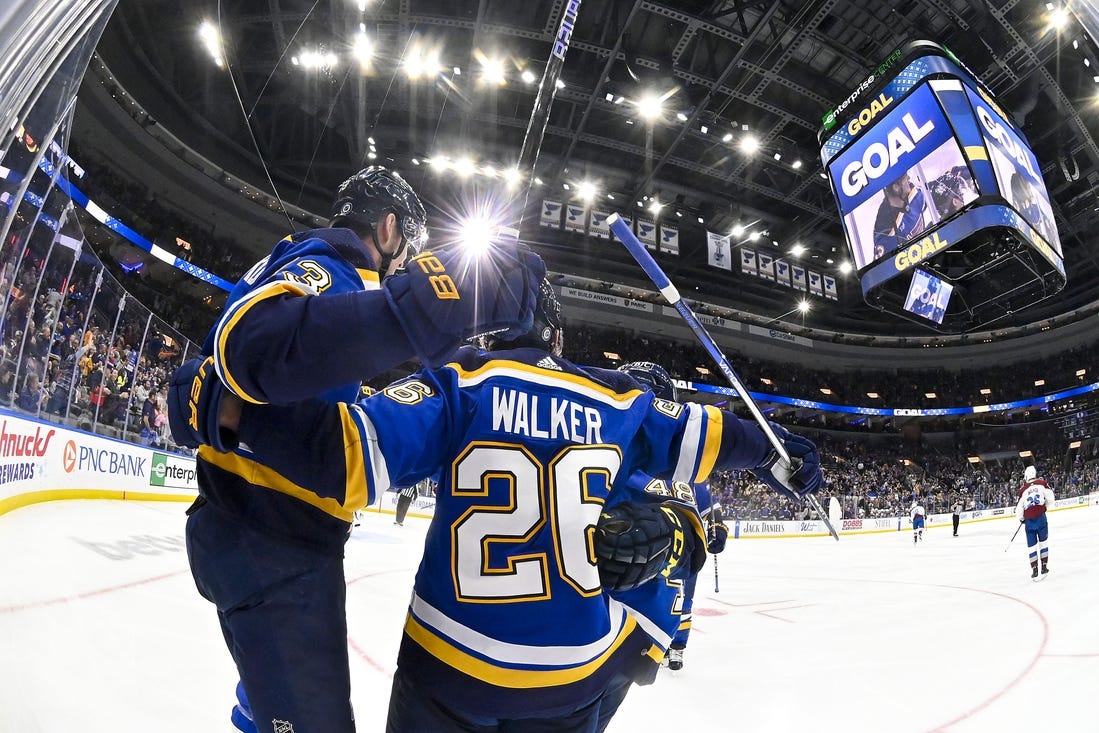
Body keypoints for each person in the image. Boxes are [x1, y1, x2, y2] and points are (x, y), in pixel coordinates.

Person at [177, 280, 823, 731]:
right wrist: (773, 453)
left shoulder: (457, 379)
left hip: (448, 670)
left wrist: (230, 413)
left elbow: (343, 459)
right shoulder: (620, 401)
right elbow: (710, 434)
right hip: (568, 680)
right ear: (557, 333)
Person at [166, 166, 545, 733]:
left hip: (256, 535)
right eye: (407, 246)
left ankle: (261, 702)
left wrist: (216, 405)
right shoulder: (332, 267)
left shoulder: (304, 268)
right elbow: (253, 350)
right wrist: (420, 307)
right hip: (272, 544)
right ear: (389, 228)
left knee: (271, 696)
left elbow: (206, 386)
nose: (404, 259)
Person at [615, 361, 728, 674]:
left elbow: (707, 503)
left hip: (669, 553)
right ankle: (666, 642)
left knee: (681, 591)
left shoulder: (621, 453)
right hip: (644, 556)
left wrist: (716, 527)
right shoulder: (625, 456)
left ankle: (676, 644)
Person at [873, 171, 927, 259]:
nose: (909, 179)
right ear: (896, 187)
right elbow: (884, 267)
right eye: (905, 177)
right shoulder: (885, 230)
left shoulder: (914, 193)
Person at [1015, 465, 1055, 581]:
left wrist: (1022, 518)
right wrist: (1044, 508)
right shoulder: (1042, 483)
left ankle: (1035, 569)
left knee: (1031, 545)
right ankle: (1044, 566)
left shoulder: (1022, 490)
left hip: (1030, 522)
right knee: (1044, 542)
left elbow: (1019, 508)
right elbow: (1051, 499)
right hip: (1041, 518)